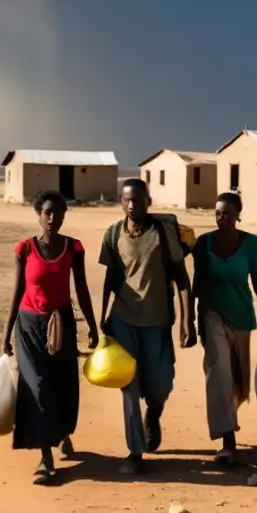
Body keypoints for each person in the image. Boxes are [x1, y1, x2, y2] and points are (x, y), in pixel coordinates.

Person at [99, 179, 194, 476]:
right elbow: (112, 279)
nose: (131, 205)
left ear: (148, 201)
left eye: (137, 200)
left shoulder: (163, 232)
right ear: (121, 201)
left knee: (160, 387)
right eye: (126, 200)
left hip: (158, 322)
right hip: (124, 320)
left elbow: (181, 280)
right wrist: (102, 318)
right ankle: (134, 451)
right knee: (129, 386)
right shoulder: (113, 233)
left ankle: (152, 416)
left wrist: (187, 320)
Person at [3, 191, 99, 485]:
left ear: (64, 215)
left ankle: (63, 433)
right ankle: (45, 457)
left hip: (62, 324)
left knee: (62, 383)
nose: (52, 218)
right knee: (39, 386)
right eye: (47, 212)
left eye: (58, 213)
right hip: (29, 325)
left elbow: (81, 289)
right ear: (38, 214)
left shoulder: (73, 248)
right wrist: (6, 332)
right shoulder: (26, 249)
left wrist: (93, 327)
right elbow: (18, 289)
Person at [191, 191, 257, 468]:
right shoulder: (203, 244)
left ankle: (229, 414)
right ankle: (227, 441)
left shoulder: (251, 244)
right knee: (218, 374)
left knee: (240, 383)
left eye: (227, 214)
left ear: (238, 215)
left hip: (242, 316)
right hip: (212, 315)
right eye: (218, 213)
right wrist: (193, 321)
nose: (222, 218)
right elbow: (195, 283)